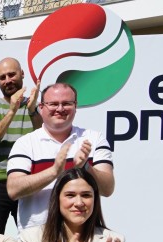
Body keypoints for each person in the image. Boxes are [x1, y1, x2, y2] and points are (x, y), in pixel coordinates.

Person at [7, 83, 114, 230]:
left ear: (75, 106)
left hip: (83, 234)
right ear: (41, 107)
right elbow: (13, 189)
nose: (60, 109)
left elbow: (108, 188)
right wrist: (54, 171)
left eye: (66, 103)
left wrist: (86, 167)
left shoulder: (94, 139)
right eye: (53, 104)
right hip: (37, 235)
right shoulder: (25, 143)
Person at [0, 57, 41, 233]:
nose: (7, 80)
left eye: (11, 74)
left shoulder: (35, 106)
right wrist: (12, 110)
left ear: (22, 74)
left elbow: (44, 139)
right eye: (2, 77)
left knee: (33, 238)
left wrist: (32, 110)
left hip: (26, 181)